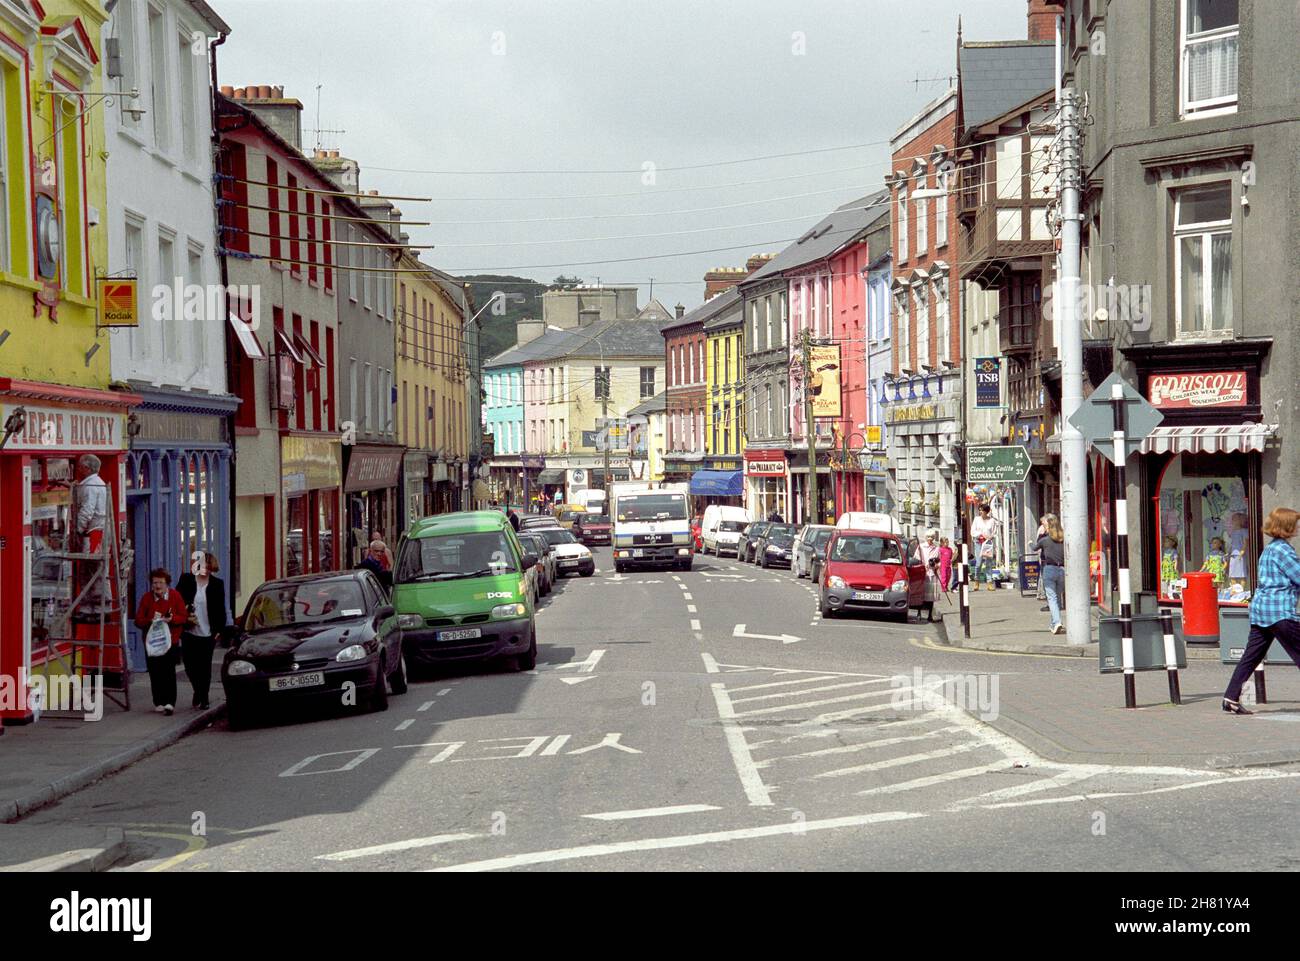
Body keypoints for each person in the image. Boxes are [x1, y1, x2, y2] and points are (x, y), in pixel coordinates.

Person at [1222, 508, 1300, 715]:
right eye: (1295, 523)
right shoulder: (1284, 550)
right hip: (1279, 611)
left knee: (1252, 656)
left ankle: (1230, 697)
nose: (1298, 527)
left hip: (1261, 611)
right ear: (1287, 526)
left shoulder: (1269, 549)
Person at [176, 552, 228, 711]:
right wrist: (185, 610)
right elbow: (176, 600)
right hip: (189, 630)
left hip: (208, 632)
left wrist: (220, 629)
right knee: (190, 665)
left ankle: (204, 697)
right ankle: (197, 690)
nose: (204, 570)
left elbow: (220, 609)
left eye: (208, 567)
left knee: (204, 667)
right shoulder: (186, 580)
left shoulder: (217, 584)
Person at [133, 568, 187, 715]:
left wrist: (172, 619)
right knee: (155, 672)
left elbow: (183, 617)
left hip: (170, 641)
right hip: (152, 642)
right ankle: (159, 701)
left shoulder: (175, 596)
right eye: (155, 582)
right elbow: (138, 620)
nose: (157, 586)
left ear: (167, 584)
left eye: (161, 583)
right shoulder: (146, 598)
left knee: (168, 671)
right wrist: (150, 621)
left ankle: (170, 702)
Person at [1037, 513, 1066, 635]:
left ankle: (1057, 621)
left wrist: (1030, 542)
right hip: (1062, 570)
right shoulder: (1063, 537)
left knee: (1052, 599)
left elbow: (1035, 547)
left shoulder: (1045, 539)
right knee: (1057, 599)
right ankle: (1054, 623)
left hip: (1049, 568)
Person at [970, 503, 998, 590]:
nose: (980, 512)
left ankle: (989, 582)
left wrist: (991, 536)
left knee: (989, 563)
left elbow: (994, 532)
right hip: (978, 542)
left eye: (981, 510)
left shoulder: (992, 521)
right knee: (979, 563)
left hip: (988, 543)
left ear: (986, 511)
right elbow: (973, 531)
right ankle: (976, 581)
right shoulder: (977, 519)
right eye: (979, 510)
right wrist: (981, 534)